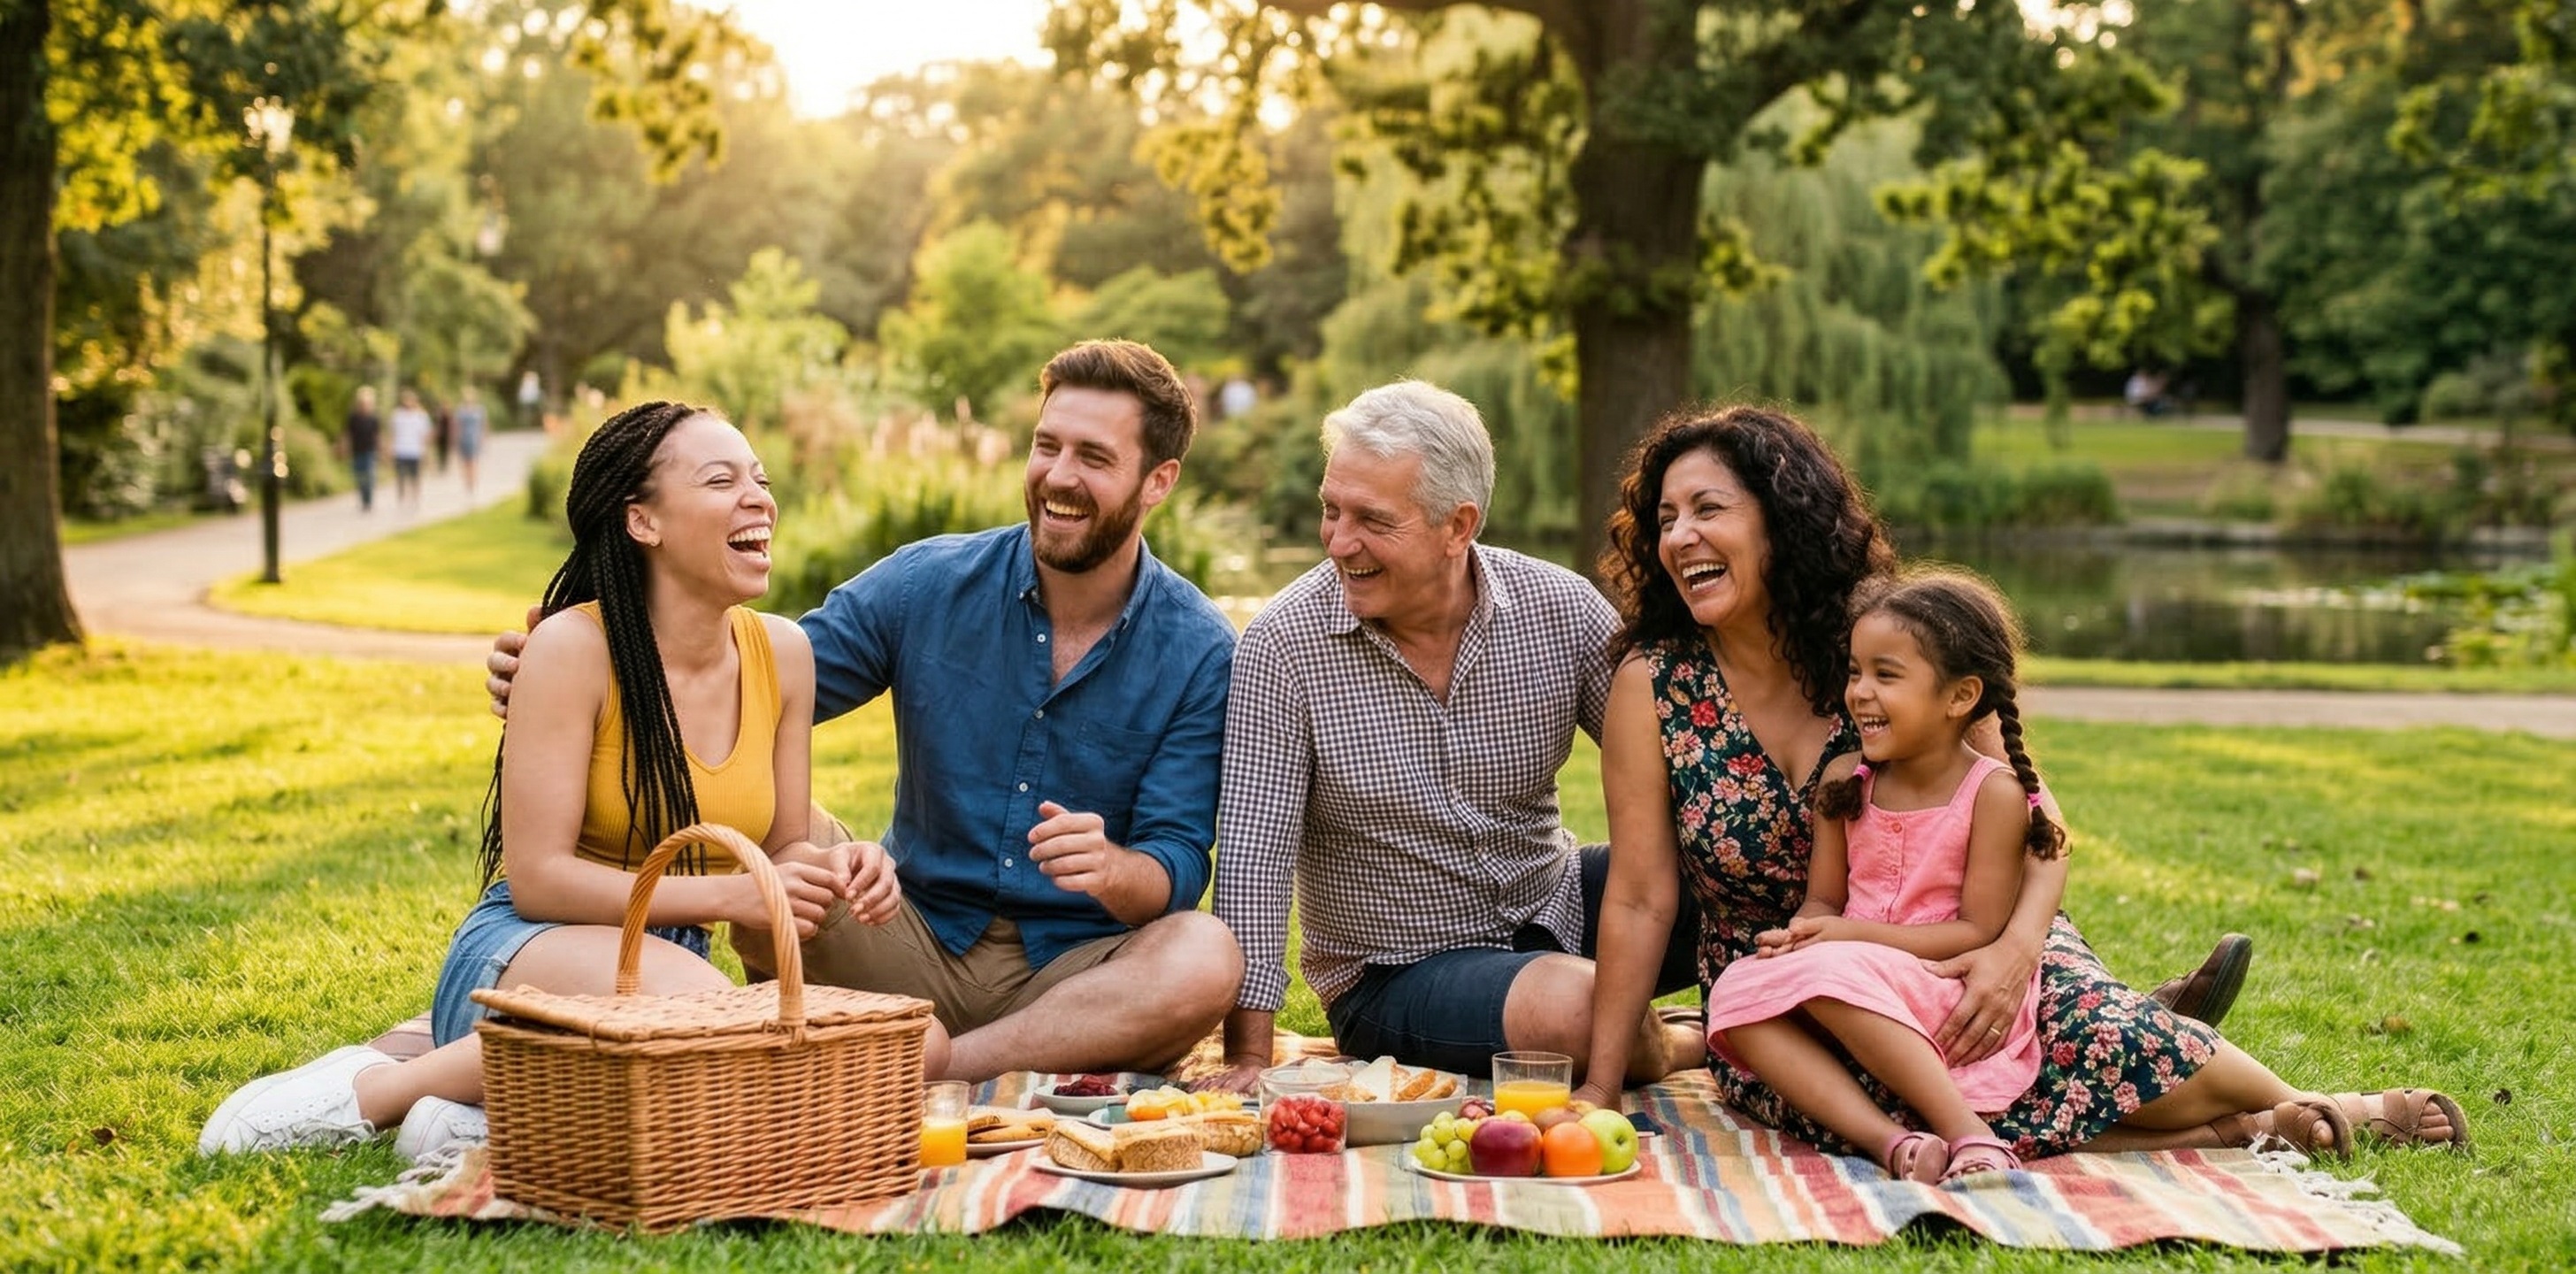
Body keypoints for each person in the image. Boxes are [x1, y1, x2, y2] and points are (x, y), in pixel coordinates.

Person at [1578, 404, 2467, 1161]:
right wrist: (1602, 1086)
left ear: (1778, 520)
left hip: (1973, 933)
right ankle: (2235, 1130)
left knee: (2079, 1031)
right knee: (1884, 1098)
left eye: (1707, 509)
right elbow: (1639, 899)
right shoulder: (1651, 686)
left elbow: (2038, 822)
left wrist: (2012, 953)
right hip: (1801, 993)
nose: (1679, 537)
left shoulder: (1887, 641)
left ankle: (2322, 1106)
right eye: (1663, 519)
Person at [199, 402, 939, 1160]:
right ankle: (374, 1091)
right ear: (642, 521)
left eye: (760, 477)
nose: (759, 498)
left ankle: (486, 1119)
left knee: (927, 1042)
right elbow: (538, 880)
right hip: (531, 954)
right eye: (722, 480)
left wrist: (841, 866)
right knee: (717, 1021)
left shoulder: (784, 654)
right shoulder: (571, 650)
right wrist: (725, 895)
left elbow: (782, 851)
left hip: (670, 968)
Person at [487, 341, 1243, 1083]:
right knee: (780, 838)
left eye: (1095, 457)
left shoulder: (1197, 647)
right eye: (1048, 445)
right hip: (904, 936)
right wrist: (582, 682)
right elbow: (746, 689)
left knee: (1205, 954)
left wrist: (1112, 868)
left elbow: (1176, 863)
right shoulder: (928, 584)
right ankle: (895, 1035)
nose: (1058, 476)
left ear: (1158, 481)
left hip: (1075, 978)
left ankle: (938, 1061)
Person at [1204, 380, 1706, 1094]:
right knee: (1582, 1010)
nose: (1340, 542)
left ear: (1457, 526)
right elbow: (1255, 861)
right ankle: (1694, 1044)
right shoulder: (1284, 647)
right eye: (1330, 510)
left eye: (1373, 520)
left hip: (1554, 900)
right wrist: (1249, 1061)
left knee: (1751, 868)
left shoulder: (1559, 610)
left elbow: (1681, 767)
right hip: (1397, 974)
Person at [387, 389, 433, 508]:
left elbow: (425, 435)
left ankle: (415, 497)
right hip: (401, 450)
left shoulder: (421, 416)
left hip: (415, 451)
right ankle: (402, 497)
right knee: (401, 476)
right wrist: (390, 448)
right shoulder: (397, 415)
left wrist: (426, 452)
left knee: (415, 476)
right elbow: (393, 433)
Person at [343, 386, 381, 512]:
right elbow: (348, 434)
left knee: (369, 476)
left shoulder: (374, 418)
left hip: (369, 451)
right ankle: (363, 500)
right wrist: (344, 447)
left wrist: (382, 450)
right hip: (357, 451)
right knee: (360, 477)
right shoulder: (353, 418)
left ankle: (368, 501)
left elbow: (377, 436)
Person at [454, 387, 488, 496]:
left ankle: (473, 483)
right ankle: (467, 482)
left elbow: (484, 424)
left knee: (473, 462)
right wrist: (456, 439)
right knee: (465, 463)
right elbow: (457, 426)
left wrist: (484, 437)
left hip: (474, 439)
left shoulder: (479, 410)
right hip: (463, 439)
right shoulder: (461, 411)